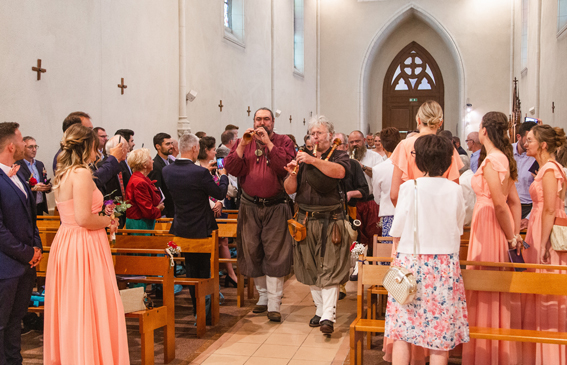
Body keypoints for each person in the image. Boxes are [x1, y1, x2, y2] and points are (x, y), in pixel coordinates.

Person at [44, 124, 128, 364]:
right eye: (96, 145)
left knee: (75, 303)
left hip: (68, 240)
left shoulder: (63, 173)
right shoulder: (80, 173)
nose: (99, 151)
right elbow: (83, 218)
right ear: (86, 146)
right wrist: (109, 219)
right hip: (84, 243)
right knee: (88, 303)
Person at [386, 134, 469, 365]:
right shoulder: (455, 190)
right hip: (444, 264)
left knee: (402, 329)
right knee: (439, 334)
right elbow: (459, 224)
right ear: (448, 160)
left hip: (411, 262)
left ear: (419, 159)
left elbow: (398, 228)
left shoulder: (408, 187)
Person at [462, 112, 522, 365]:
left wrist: (512, 237)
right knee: (489, 285)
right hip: (492, 223)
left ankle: (486, 353)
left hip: (488, 223)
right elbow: (515, 203)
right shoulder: (502, 158)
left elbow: (500, 204)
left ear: (484, 131)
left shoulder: (491, 161)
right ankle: (491, 350)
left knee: (484, 283)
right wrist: (515, 233)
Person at [225, 107, 295, 322]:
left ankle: (274, 303)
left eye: (266, 119)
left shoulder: (283, 141)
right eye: (258, 119)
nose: (262, 123)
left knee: (275, 253)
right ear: (253, 121)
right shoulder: (242, 142)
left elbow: (284, 167)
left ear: (273, 122)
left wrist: (269, 144)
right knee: (252, 251)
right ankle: (262, 298)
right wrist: (243, 146)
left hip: (276, 205)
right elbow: (231, 168)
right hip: (250, 206)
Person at [284, 115, 350, 334]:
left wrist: (312, 161)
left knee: (330, 267)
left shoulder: (340, 154)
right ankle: (320, 310)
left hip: (332, 220)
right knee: (310, 265)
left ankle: (329, 316)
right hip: (305, 219)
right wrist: (292, 172)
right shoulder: (302, 157)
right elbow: (290, 189)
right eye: (312, 133)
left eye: (319, 133)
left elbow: (339, 172)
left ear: (330, 135)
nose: (314, 137)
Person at [162, 133, 228, 319]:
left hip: (181, 227)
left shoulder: (167, 171)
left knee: (190, 271)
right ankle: (205, 313)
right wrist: (222, 177)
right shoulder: (199, 173)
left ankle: (196, 310)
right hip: (202, 228)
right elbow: (219, 192)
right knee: (204, 271)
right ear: (194, 148)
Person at [521, 124, 567, 364]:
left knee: (546, 288)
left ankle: (549, 354)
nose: (526, 143)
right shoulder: (546, 169)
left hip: (545, 231)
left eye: (530, 140)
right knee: (537, 288)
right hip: (538, 226)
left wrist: (545, 242)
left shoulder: (550, 169)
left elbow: (551, 207)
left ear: (544, 145)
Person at [0, 122, 43, 365]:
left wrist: (36, 247)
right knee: (2, 323)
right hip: (6, 266)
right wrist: (26, 252)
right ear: (10, 146)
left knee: (16, 320)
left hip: (25, 264)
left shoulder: (19, 175)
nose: (24, 144)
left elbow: (30, 217)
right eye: (20, 140)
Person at [390, 100, 463, 207]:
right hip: (440, 209)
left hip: (412, 208)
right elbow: (454, 190)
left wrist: (405, 214)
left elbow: (394, 195)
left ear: (418, 120)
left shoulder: (405, 145)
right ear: (440, 123)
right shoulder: (448, 147)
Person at [196, 136, 238, 287]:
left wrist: (220, 202)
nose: (215, 153)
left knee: (224, 241)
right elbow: (199, 191)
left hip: (220, 206)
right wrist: (212, 205)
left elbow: (221, 186)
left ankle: (231, 274)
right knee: (211, 242)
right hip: (206, 209)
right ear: (206, 150)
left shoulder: (215, 166)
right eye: (213, 149)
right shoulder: (197, 167)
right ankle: (213, 277)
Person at [348, 130, 384, 250]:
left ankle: (374, 263)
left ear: (364, 141)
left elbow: (380, 176)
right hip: (354, 203)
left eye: (357, 141)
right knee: (357, 236)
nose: (355, 144)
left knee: (373, 234)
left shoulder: (375, 157)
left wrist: (361, 167)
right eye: (351, 142)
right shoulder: (346, 158)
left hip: (371, 201)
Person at [372, 127, 401, 247]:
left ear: (382, 146)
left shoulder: (378, 169)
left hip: (388, 213)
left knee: (388, 251)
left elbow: (377, 197)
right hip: (407, 213)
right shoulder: (407, 166)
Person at [125, 148, 164, 231]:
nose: (153, 161)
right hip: (140, 224)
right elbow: (147, 210)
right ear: (144, 165)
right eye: (150, 159)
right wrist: (158, 208)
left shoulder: (141, 178)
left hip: (142, 222)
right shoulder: (139, 182)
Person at [16, 136, 52, 216]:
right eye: (30, 147)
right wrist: (34, 188)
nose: (34, 150)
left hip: (39, 205)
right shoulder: (18, 165)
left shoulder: (39, 164)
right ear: (23, 148)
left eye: (35, 147)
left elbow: (44, 180)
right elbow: (19, 185)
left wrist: (48, 186)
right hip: (27, 206)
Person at [513, 121, 538, 219]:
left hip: (528, 206)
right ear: (518, 137)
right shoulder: (507, 152)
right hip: (508, 204)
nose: (528, 144)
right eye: (527, 139)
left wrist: (528, 217)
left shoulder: (536, 156)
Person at [148, 132, 175, 218]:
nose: (171, 146)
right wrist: (163, 213)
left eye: (171, 143)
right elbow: (157, 190)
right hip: (166, 211)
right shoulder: (155, 165)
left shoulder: (172, 162)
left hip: (175, 209)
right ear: (158, 146)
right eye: (167, 144)